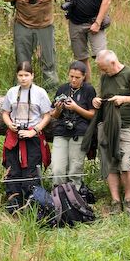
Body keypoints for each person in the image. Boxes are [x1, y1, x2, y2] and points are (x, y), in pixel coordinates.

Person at [92, 50, 130, 215]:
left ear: (113, 63)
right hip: (107, 126)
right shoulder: (104, 78)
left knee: (126, 163)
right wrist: (95, 100)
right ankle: (116, 201)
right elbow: (99, 96)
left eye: (104, 68)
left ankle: (129, 200)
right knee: (110, 164)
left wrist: (124, 99)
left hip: (127, 126)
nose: (103, 72)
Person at [1, 61, 52, 213]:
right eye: (20, 75)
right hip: (14, 136)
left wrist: (34, 130)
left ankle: (33, 203)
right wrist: (10, 124)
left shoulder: (40, 92)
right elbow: (5, 112)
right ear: (17, 76)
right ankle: (13, 203)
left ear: (32, 76)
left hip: (32, 135)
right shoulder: (11, 92)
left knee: (31, 170)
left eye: (26, 75)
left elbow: (47, 115)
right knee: (12, 169)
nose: (23, 78)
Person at [50, 61, 96, 190]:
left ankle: (74, 196)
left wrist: (76, 108)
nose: (73, 80)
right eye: (71, 76)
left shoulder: (89, 90)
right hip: (61, 131)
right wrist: (58, 109)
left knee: (75, 169)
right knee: (57, 168)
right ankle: (58, 195)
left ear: (84, 76)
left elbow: (92, 115)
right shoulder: (62, 88)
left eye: (77, 77)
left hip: (79, 132)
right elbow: (53, 114)